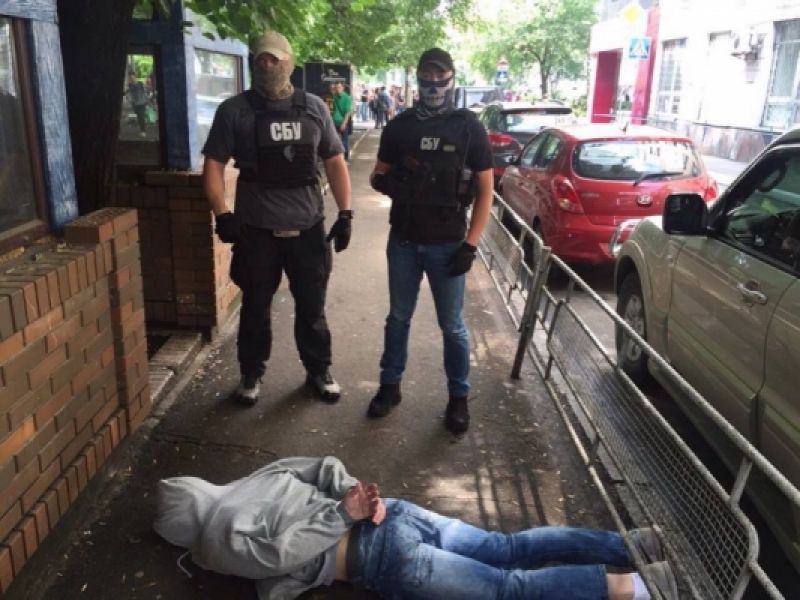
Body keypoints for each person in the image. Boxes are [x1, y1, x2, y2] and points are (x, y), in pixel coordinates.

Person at [154, 456, 679, 600]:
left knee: (507, 589)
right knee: (506, 547)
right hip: (394, 514)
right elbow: (324, 467)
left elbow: (276, 559)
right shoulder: (256, 478)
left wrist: (343, 515)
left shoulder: (213, 542)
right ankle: (633, 545)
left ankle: (635, 587)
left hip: (377, 558)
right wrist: (356, 497)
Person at [202, 31, 353, 406]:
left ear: (289, 61)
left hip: (307, 227)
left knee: (312, 307)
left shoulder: (314, 108)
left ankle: (318, 370)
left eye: (274, 58)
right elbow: (214, 165)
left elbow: (334, 160)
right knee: (255, 307)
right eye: (260, 59)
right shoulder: (234, 110)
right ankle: (251, 374)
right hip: (256, 230)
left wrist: (346, 211)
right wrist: (222, 213)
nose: (267, 65)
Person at [367, 48, 494, 433]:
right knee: (398, 318)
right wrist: (393, 184)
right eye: (427, 75)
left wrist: (471, 245)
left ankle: (458, 397)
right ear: (418, 77)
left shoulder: (468, 127)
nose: (434, 84)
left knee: (452, 326)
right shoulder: (400, 126)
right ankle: (390, 386)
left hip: (449, 244)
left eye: (441, 76)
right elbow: (377, 175)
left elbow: (486, 191)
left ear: (452, 77)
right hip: (405, 240)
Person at [330, 80, 353, 161]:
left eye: (339, 87)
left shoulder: (347, 98)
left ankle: (346, 157)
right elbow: (331, 90)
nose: (337, 89)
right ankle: (336, 157)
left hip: (342, 122)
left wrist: (344, 123)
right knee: (334, 140)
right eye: (336, 87)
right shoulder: (334, 96)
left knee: (344, 141)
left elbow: (348, 112)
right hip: (334, 122)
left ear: (343, 88)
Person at [126, 71, 149, 137]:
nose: (131, 79)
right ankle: (143, 125)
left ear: (135, 77)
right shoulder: (130, 85)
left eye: (132, 77)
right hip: (135, 104)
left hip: (142, 103)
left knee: (141, 116)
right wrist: (130, 100)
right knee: (139, 116)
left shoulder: (140, 83)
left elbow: (145, 92)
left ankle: (143, 131)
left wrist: (147, 101)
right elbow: (128, 93)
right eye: (130, 78)